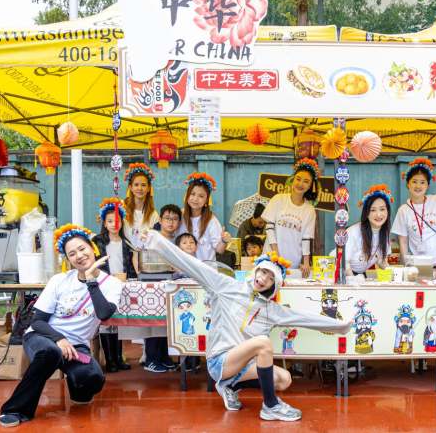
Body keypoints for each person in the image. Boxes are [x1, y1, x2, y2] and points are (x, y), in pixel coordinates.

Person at [139, 230, 352, 421]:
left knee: (284, 379)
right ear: (256, 270)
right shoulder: (225, 286)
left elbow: (304, 318)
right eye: (263, 272)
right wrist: (156, 241)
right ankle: (271, 406)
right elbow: (191, 264)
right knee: (263, 343)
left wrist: (340, 327)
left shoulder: (271, 310)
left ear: (274, 286)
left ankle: (230, 386)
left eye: (270, 278)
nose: (263, 279)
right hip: (220, 361)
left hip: (242, 366)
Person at [0, 224, 122, 428]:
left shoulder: (112, 284)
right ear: (68, 260)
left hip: (76, 345)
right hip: (43, 337)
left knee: (92, 377)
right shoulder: (59, 280)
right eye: (72, 254)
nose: (79, 256)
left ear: (92, 248)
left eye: (82, 249)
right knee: (50, 353)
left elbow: (104, 313)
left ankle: (76, 386)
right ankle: (15, 409)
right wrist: (59, 339)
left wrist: (91, 281)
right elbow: (37, 321)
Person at [92, 198, 136, 373]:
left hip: (121, 284)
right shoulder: (97, 241)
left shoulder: (126, 243)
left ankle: (118, 357)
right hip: (104, 284)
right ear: (104, 223)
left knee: (117, 322)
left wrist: (132, 279)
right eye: (110, 221)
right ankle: (109, 360)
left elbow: (130, 265)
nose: (114, 224)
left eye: (117, 221)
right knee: (106, 321)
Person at [142, 204, 183, 373]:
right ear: (160, 220)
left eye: (175, 219)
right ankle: (151, 359)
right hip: (153, 283)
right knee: (153, 321)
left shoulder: (178, 240)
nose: (170, 222)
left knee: (167, 322)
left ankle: (164, 356)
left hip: (171, 283)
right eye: (167, 218)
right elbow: (140, 255)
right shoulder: (152, 237)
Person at [262, 158, 320, 278]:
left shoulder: (310, 210)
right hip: (271, 258)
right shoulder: (278, 199)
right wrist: (276, 255)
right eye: (298, 179)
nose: (300, 184)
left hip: (292, 261)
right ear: (292, 180)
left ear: (311, 186)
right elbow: (269, 227)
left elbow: (306, 238)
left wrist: (306, 262)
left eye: (306, 181)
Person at [178, 172, 231, 262]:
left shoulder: (211, 220)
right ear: (187, 196)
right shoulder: (179, 217)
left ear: (207, 200)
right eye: (192, 194)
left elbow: (220, 250)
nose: (195, 199)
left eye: (201, 196)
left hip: (206, 269)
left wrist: (224, 241)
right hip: (184, 269)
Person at [344, 184, 393, 276]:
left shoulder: (385, 232)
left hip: (361, 276)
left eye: (382, 209)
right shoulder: (353, 232)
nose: (379, 215)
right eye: (373, 210)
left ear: (388, 211)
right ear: (366, 213)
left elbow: (381, 260)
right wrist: (353, 279)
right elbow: (344, 262)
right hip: (346, 275)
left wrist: (392, 272)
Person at [123, 162, 159, 240]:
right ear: (130, 187)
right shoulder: (123, 211)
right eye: (136, 185)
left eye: (143, 185)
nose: (140, 188)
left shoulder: (153, 215)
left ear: (149, 188)